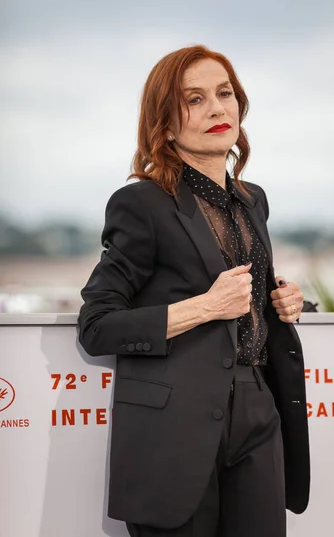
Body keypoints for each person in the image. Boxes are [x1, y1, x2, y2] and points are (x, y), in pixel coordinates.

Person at [78, 45, 310, 537]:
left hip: (258, 404)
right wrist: (204, 307)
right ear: (164, 124)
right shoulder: (140, 203)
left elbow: (245, 292)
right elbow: (97, 326)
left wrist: (284, 300)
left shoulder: (253, 200)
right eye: (194, 99)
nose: (216, 108)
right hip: (175, 423)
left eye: (224, 93)